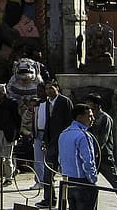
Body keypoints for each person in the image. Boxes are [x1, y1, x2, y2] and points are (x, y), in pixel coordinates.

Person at [85, 93, 117, 210]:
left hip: (104, 155)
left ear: (97, 105)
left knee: (114, 181)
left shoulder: (105, 118)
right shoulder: (88, 117)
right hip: (92, 155)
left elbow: (102, 139)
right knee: (87, 182)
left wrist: (95, 151)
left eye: (90, 103)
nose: (88, 106)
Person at [38, 79, 74, 208]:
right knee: (48, 173)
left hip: (64, 142)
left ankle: (70, 201)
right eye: (47, 89)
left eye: (51, 88)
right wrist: (45, 139)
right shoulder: (47, 103)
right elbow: (48, 122)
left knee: (67, 174)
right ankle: (49, 199)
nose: (49, 91)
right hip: (51, 142)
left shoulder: (65, 101)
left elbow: (69, 121)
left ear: (57, 88)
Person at [58, 103, 99, 210]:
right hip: (82, 182)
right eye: (89, 116)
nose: (92, 119)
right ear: (80, 117)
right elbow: (88, 161)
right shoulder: (83, 135)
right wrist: (92, 179)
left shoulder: (63, 134)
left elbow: (60, 159)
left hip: (67, 181)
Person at [0, 82, 20, 186]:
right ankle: (12, 171)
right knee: (0, 156)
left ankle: (9, 178)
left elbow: (17, 119)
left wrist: (16, 133)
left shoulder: (11, 103)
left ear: (1, 94)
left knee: (7, 157)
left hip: (9, 133)